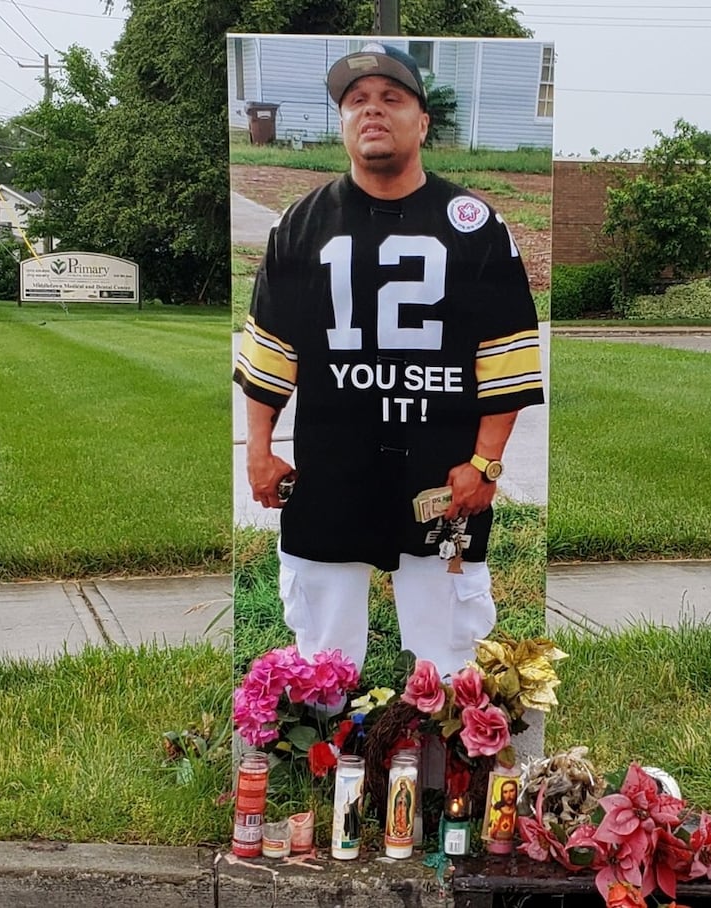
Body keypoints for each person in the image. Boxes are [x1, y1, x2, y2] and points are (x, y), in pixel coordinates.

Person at [233, 42, 543, 679]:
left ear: (422, 122)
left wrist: (486, 462)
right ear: (343, 123)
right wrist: (259, 450)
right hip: (332, 461)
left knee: (448, 649)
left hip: (441, 463)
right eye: (356, 102)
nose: (372, 111)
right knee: (321, 644)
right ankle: (325, 758)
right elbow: (271, 349)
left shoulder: (476, 225)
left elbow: (505, 360)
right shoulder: (300, 224)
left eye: (391, 99)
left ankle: (447, 764)